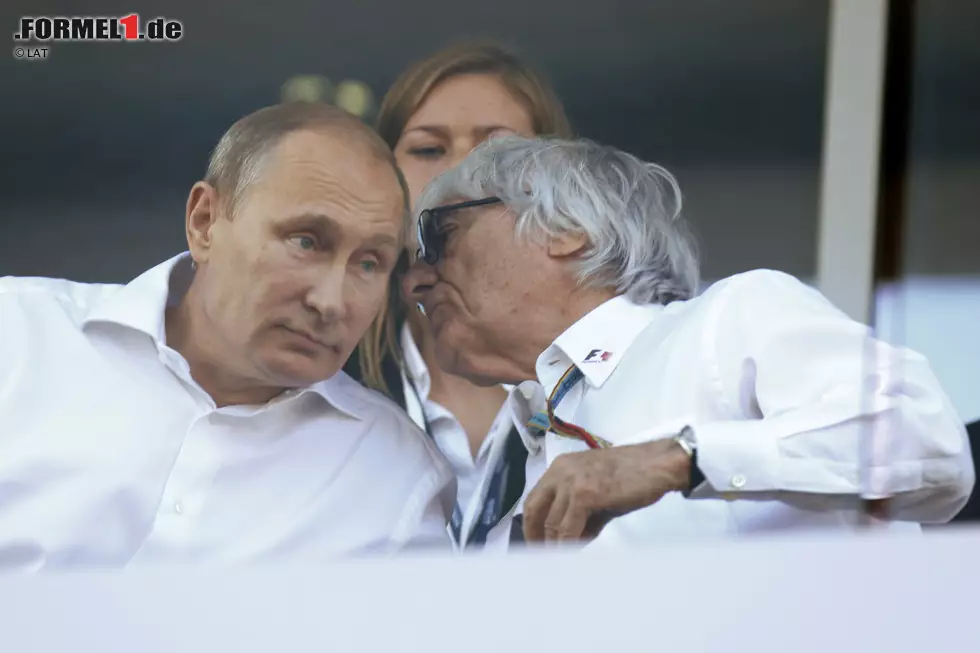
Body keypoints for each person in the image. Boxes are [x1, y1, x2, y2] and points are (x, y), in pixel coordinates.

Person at [403, 134, 975, 547]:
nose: (417, 279)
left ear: (563, 231)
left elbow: (924, 441)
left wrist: (681, 459)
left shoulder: (730, 319)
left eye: (438, 235)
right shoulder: (509, 480)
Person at [0, 103, 455, 570]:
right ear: (204, 222)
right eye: (305, 241)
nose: (331, 301)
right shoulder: (17, 333)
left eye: (368, 263)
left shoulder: (394, 475)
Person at [343, 42, 571, 550]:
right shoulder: (320, 375)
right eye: (427, 150)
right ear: (384, 183)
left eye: (498, 151)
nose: (458, 176)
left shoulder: (612, 372)